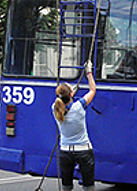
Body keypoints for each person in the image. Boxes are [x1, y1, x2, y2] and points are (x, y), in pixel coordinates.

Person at [52, 61, 97, 191]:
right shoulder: (79, 107)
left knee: (66, 186)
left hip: (65, 151)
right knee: (89, 186)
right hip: (83, 151)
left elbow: (64, 101)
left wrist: (70, 92)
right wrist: (88, 72)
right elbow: (92, 90)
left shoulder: (54, 108)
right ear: (71, 94)